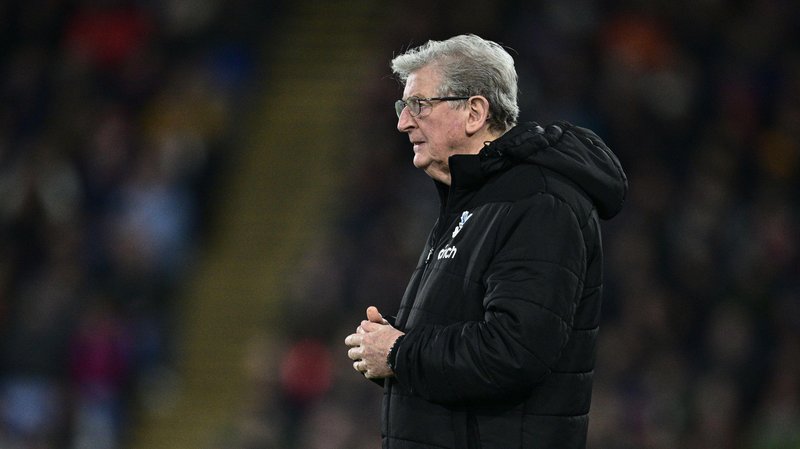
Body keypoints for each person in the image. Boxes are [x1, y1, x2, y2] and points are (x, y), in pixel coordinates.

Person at [344, 34, 627, 449]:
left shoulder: (539, 202)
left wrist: (401, 353)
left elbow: (515, 350)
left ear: (475, 112)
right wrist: (393, 357)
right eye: (403, 107)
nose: (403, 121)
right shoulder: (472, 201)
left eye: (419, 105)